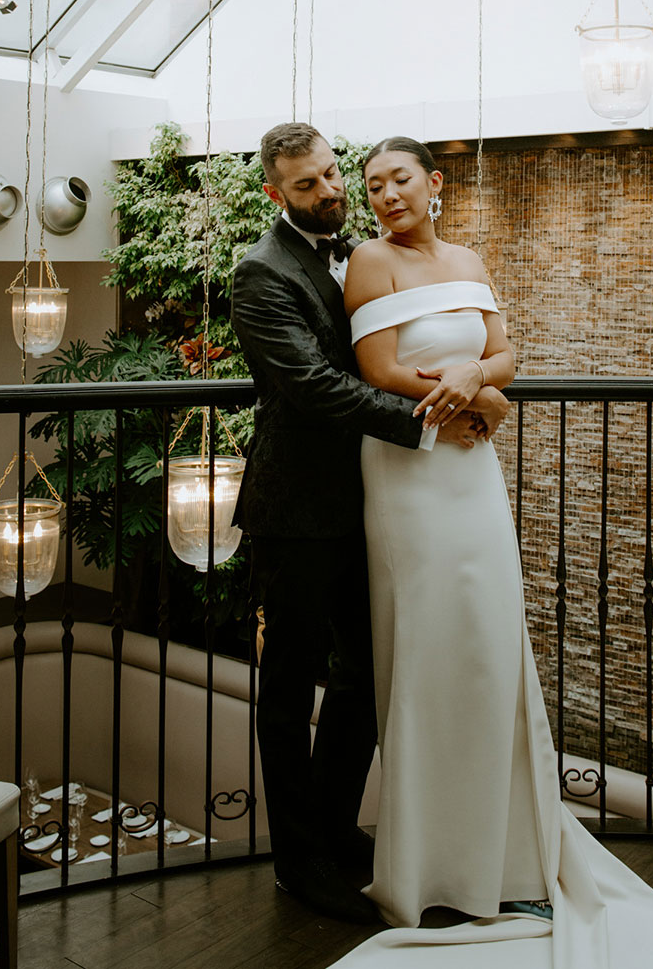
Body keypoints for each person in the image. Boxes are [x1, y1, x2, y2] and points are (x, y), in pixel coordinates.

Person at [336, 135, 653, 967]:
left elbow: (505, 350)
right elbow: (379, 368)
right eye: (373, 184)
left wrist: (484, 387)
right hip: (410, 474)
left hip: (471, 474)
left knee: (491, 650)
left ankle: (511, 860)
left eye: (399, 180)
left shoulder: (466, 255)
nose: (385, 195)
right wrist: (466, 393)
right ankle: (426, 869)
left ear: (435, 183)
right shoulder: (367, 260)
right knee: (426, 654)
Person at [231, 123, 511, 927]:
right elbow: (317, 387)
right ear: (274, 194)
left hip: (366, 502)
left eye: (329, 176)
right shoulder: (260, 273)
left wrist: (474, 388)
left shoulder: (358, 251)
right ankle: (297, 865)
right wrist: (436, 420)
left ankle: (333, 829)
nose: (330, 193)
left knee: (362, 677)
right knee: (288, 691)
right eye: (308, 186)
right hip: (295, 511)